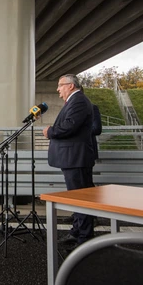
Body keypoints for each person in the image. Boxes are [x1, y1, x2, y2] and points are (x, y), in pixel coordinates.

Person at [44, 74, 95, 246]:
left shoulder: (79, 101)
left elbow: (69, 126)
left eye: (60, 85)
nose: (58, 89)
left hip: (76, 158)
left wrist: (50, 131)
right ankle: (77, 231)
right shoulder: (74, 101)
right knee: (77, 197)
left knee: (80, 198)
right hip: (74, 158)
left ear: (71, 86)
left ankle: (84, 238)